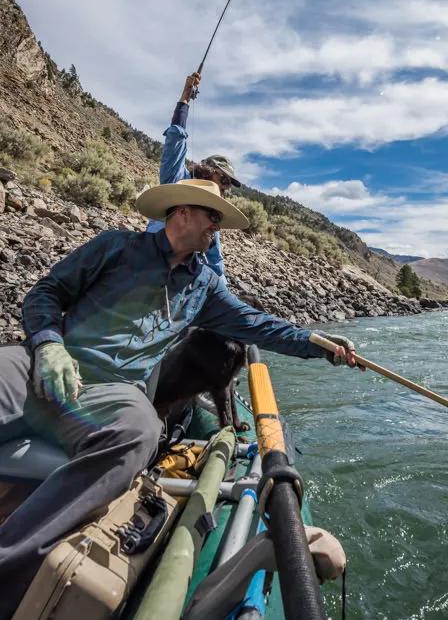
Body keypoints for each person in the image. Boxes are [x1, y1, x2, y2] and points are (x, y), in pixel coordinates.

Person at [0, 178, 357, 617]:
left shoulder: (204, 285)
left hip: (111, 392)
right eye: (212, 217)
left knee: (142, 430)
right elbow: (44, 294)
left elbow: (258, 325)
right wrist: (49, 344)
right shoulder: (115, 247)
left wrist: (317, 344)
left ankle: (9, 566)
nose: (217, 228)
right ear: (182, 213)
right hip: (41, 362)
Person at [147, 70, 238, 277]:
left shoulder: (213, 215)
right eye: (223, 179)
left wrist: (223, 297)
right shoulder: (178, 181)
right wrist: (185, 97)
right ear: (208, 170)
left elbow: (215, 262)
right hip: (152, 268)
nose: (225, 187)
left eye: (228, 185)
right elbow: (175, 142)